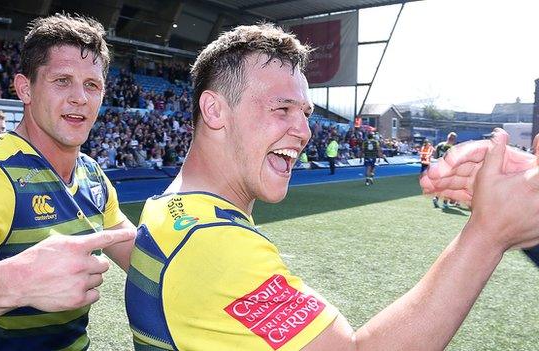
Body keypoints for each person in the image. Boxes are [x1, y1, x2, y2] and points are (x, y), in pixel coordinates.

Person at [124, 23, 539, 351]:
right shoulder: (213, 243)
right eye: (281, 108)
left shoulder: (168, 205)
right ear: (215, 110)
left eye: (304, 112)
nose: (303, 130)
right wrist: (487, 235)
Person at [0, 14, 136, 349]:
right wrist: (14, 282)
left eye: (92, 85)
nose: (80, 97)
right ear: (25, 88)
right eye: (62, 80)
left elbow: (140, 256)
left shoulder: (92, 174)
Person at [432, 132, 457, 208]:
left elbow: (435, 156)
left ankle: (436, 198)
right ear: (454, 139)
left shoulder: (440, 145)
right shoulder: (453, 148)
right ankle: (445, 203)